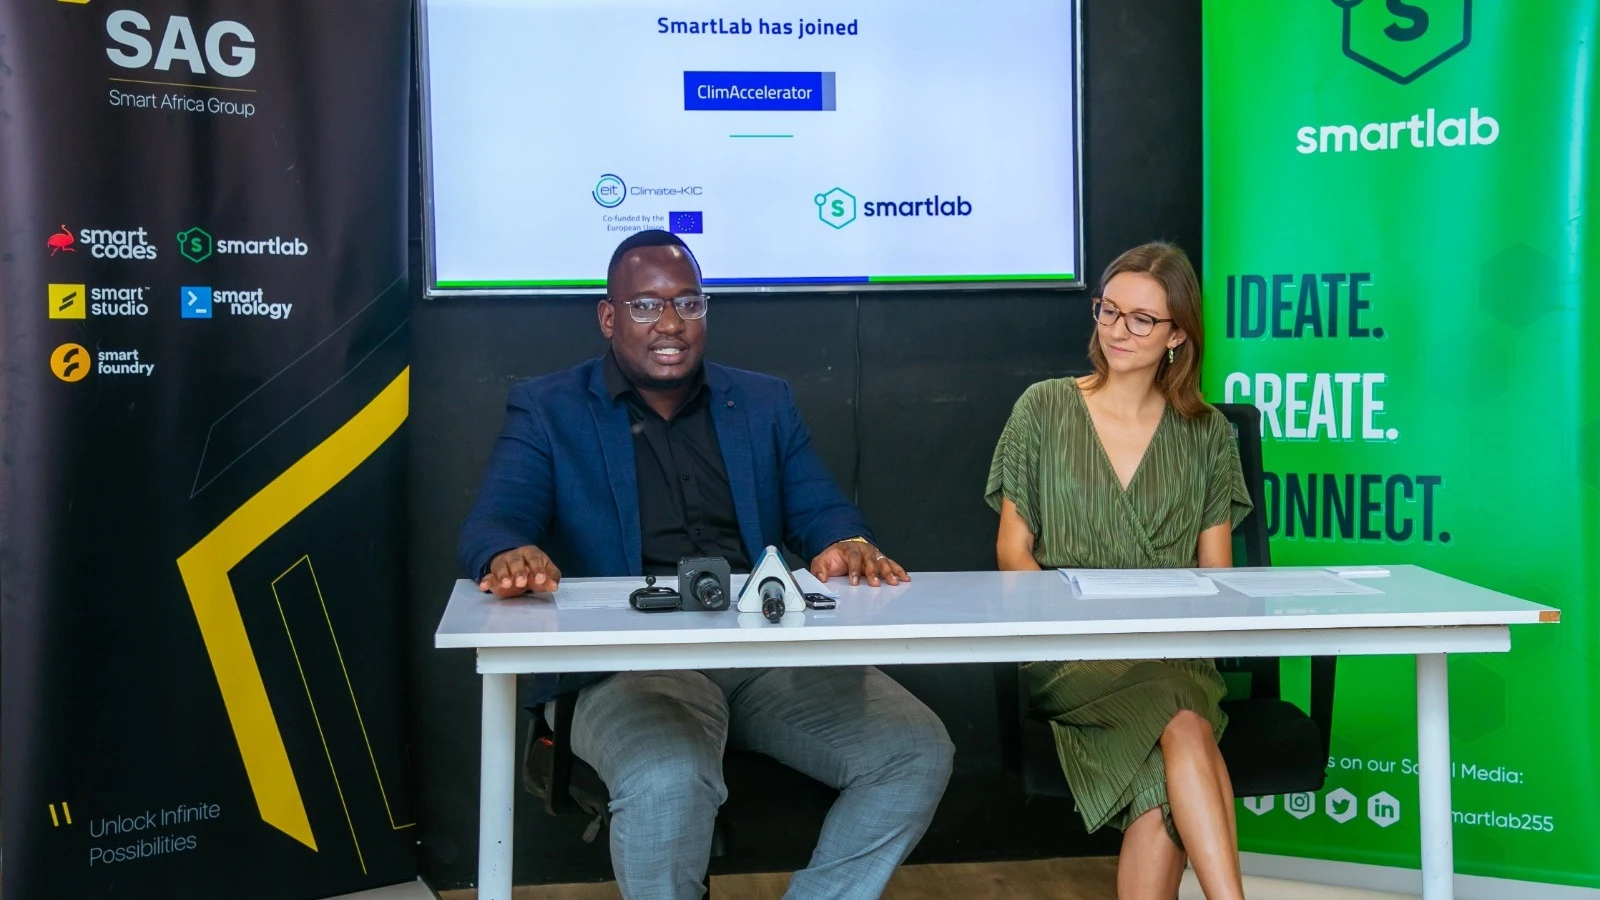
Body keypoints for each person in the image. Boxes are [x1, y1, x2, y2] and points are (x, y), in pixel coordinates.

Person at [459, 229, 954, 900]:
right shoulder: (548, 410)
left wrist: (846, 541)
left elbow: (823, 510)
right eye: (645, 306)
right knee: (668, 772)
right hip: (624, 667)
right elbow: (495, 520)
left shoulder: (761, 402)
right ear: (609, 317)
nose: (670, 323)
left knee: (915, 749)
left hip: (763, 652)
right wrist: (507, 552)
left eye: (689, 303)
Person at [985, 242, 1252, 900]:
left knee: (1167, 769)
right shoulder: (1043, 408)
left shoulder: (1209, 435)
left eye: (1141, 319)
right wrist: (1072, 624)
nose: (1116, 330)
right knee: (1182, 727)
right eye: (1109, 311)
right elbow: (1012, 553)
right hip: (1073, 656)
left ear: (1178, 336)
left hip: (1173, 658)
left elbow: (1216, 577)